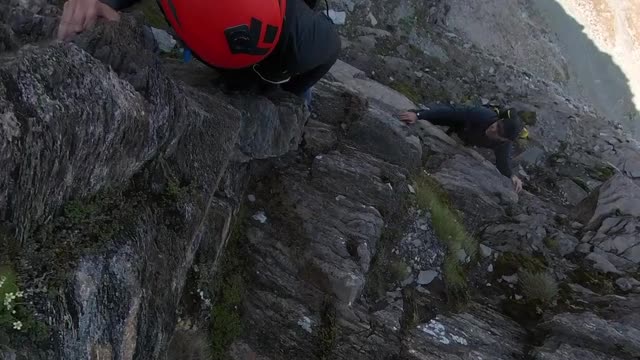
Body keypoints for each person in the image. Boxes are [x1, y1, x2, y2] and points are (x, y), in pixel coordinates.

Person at [56, 0, 341, 107]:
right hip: (267, 50)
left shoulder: (306, 38)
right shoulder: (308, 39)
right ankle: (296, 100)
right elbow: (328, 51)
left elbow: (328, 51)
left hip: (249, 51)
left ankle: (294, 98)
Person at [399, 104, 524, 193]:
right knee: (436, 115)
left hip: (466, 137)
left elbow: (503, 162)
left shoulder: (503, 145)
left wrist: (512, 176)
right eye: (497, 125)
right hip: (458, 123)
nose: (493, 129)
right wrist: (418, 114)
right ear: (499, 119)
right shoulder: (483, 115)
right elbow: (451, 112)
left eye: (499, 132)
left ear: (505, 140)